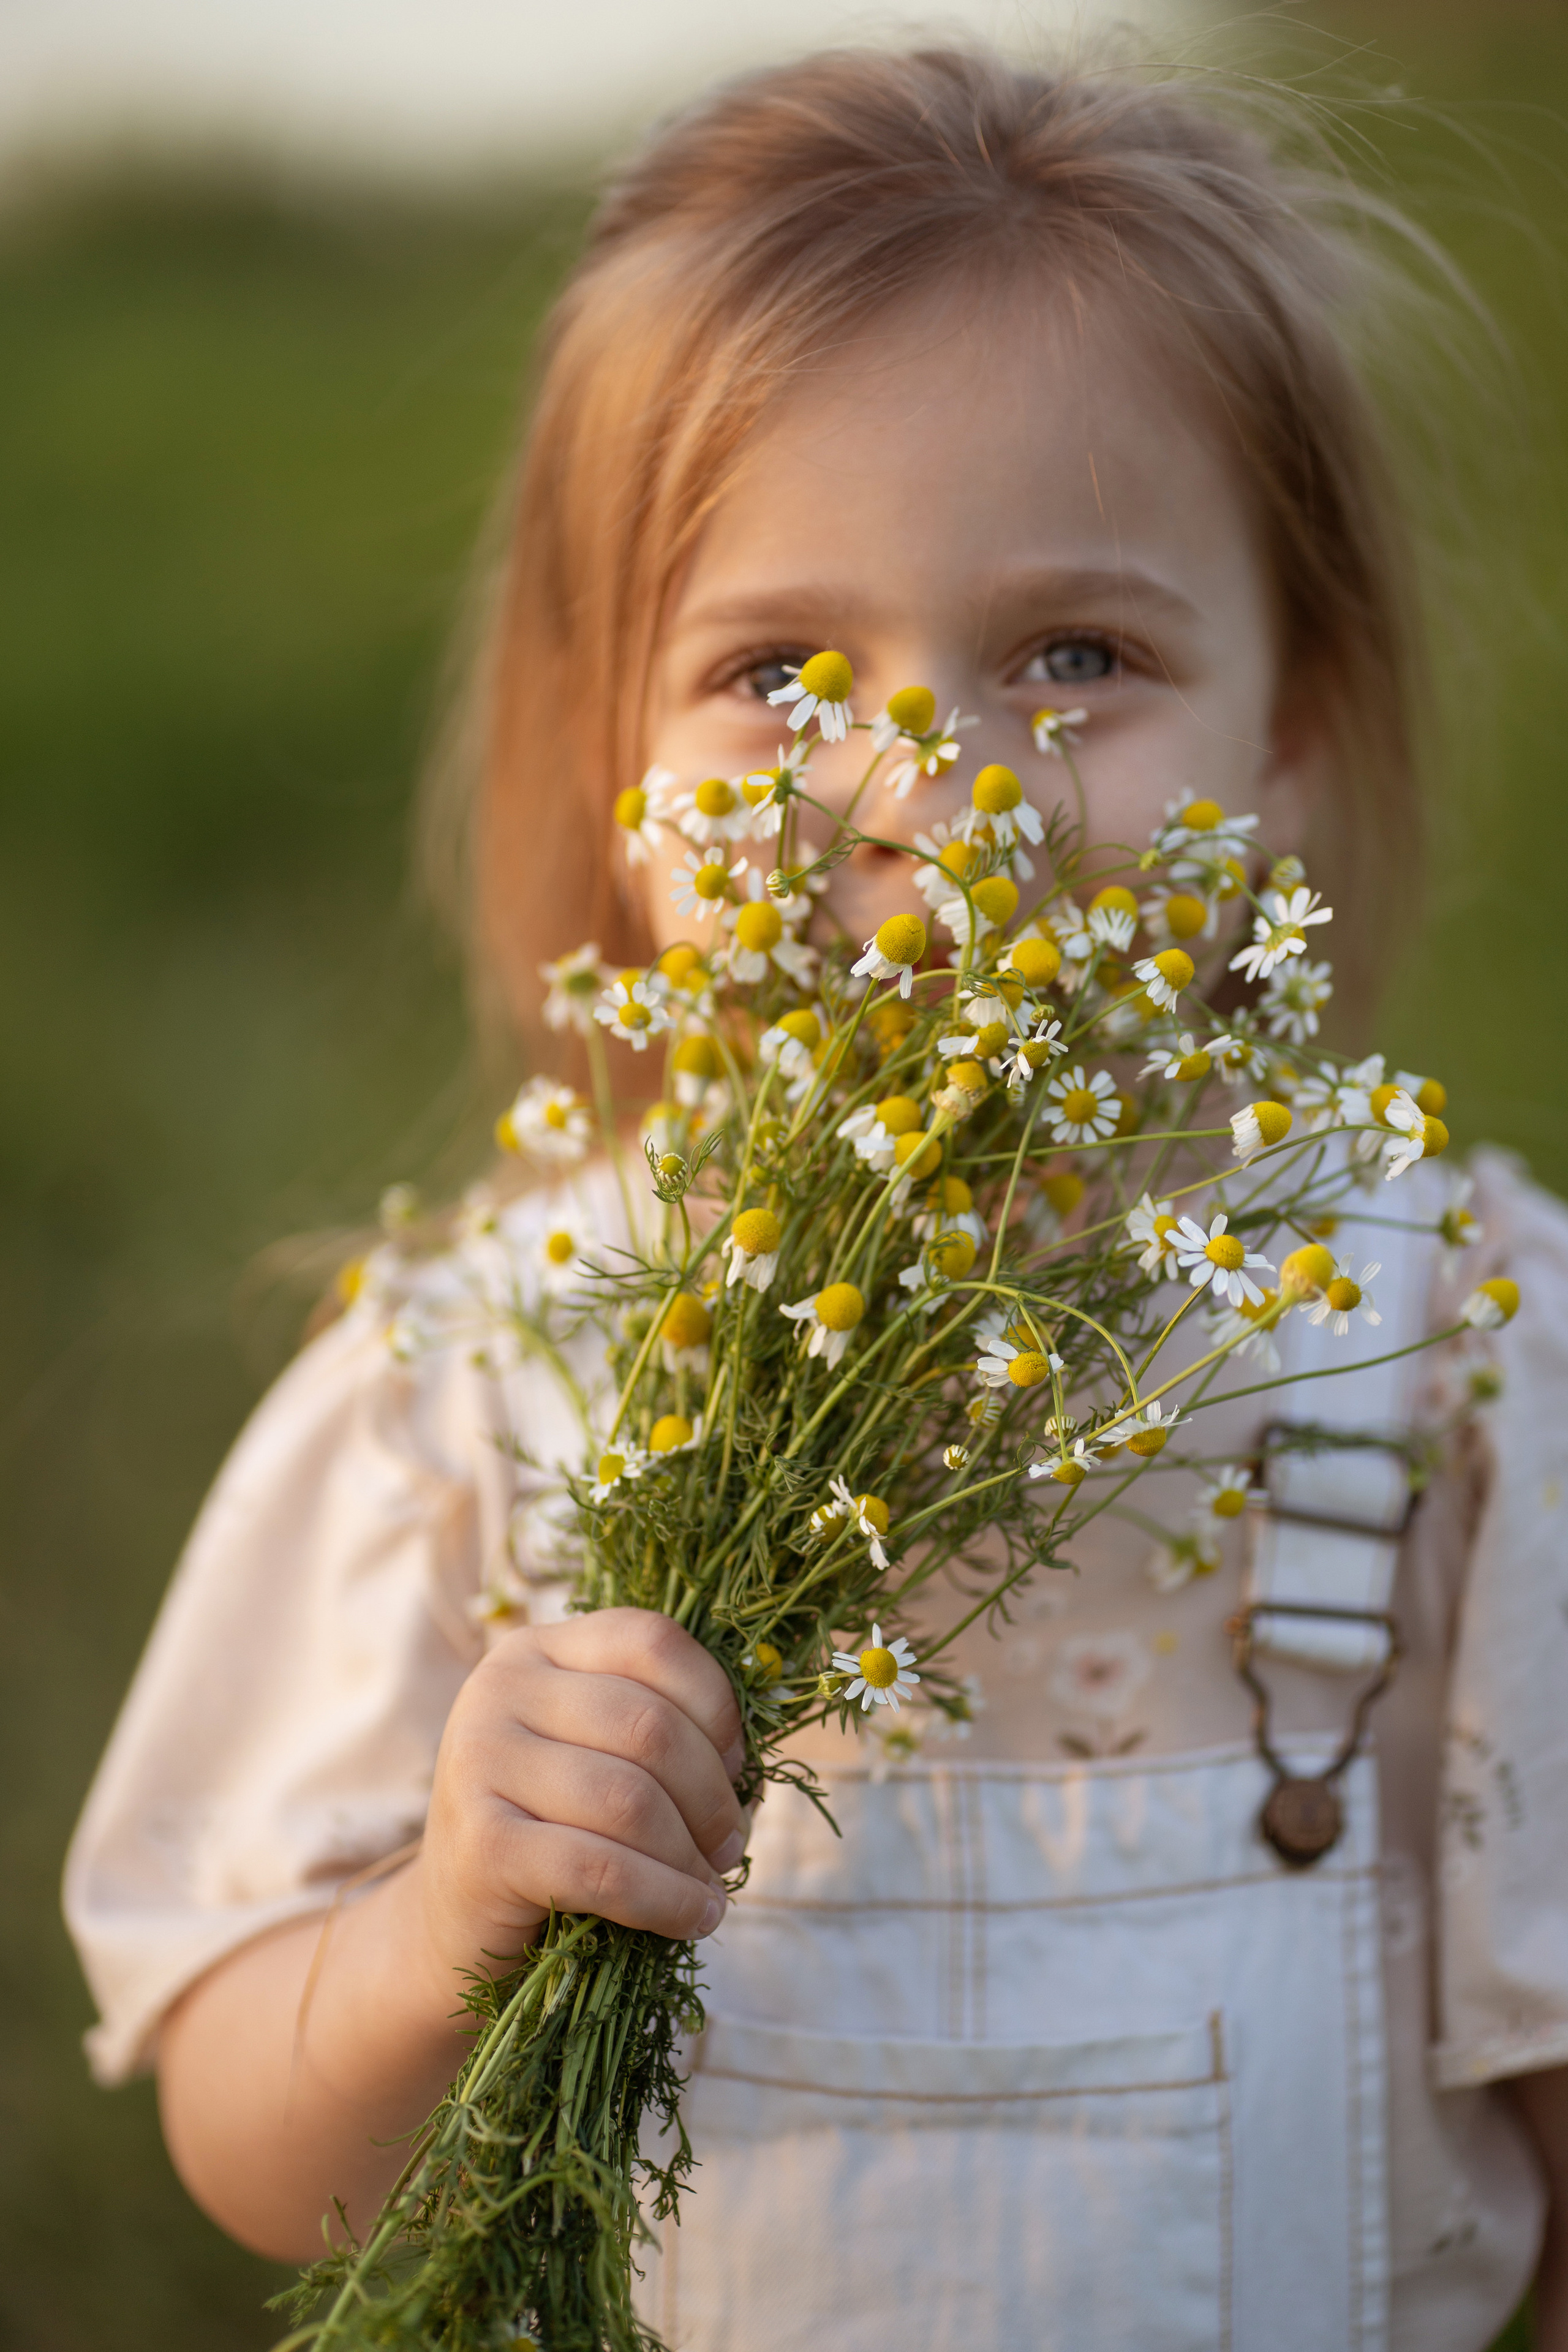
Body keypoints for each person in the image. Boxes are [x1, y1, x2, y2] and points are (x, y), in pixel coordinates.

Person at [64, 45, 1568, 2351]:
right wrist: (443, 1923)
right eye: (779, 672)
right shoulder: (487, 1378)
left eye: (1080, 659)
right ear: (614, 763)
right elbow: (263, 2153)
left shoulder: (1455, 1353)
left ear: (1289, 723)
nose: (929, 787)